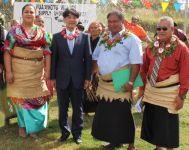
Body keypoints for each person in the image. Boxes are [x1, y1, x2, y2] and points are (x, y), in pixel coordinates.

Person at [139, 16, 189, 150]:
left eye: (164, 28)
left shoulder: (181, 47)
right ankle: (158, 147)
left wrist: (181, 96)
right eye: (158, 28)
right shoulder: (151, 46)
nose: (161, 31)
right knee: (156, 121)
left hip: (170, 92)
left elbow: (186, 73)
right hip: (152, 91)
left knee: (168, 124)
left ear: (172, 29)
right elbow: (144, 68)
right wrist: (142, 88)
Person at [91, 11, 143, 150]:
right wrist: (91, 75)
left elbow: (136, 63)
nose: (112, 24)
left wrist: (131, 82)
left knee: (123, 113)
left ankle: (131, 144)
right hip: (105, 82)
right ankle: (114, 141)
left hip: (122, 79)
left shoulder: (132, 39)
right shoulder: (104, 37)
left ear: (122, 22)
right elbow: (95, 57)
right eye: (110, 21)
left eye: (115, 21)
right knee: (108, 113)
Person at [3, 4, 51, 138]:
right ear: (22, 14)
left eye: (31, 12)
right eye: (26, 12)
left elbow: (47, 52)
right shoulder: (13, 31)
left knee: (38, 98)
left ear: (35, 15)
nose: (29, 14)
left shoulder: (42, 32)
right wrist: (8, 72)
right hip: (18, 70)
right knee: (20, 99)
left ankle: (34, 127)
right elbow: (7, 52)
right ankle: (22, 126)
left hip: (37, 72)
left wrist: (47, 71)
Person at [50, 8, 91, 144]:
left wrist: (87, 78)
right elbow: (54, 59)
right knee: (62, 108)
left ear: (78, 20)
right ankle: (64, 132)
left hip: (78, 79)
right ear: (64, 19)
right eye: (69, 17)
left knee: (78, 108)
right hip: (62, 78)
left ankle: (77, 133)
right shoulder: (56, 37)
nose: (72, 20)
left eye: (74, 17)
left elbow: (88, 59)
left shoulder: (85, 37)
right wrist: (53, 78)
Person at [82, 21, 102, 115]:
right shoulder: (86, 40)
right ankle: (85, 110)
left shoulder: (102, 40)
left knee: (96, 88)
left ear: (99, 29)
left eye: (95, 27)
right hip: (86, 67)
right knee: (86, 89)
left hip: (98, 68)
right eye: (91, 28)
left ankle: (97, 109)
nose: (93, 29)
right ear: (89, 30)